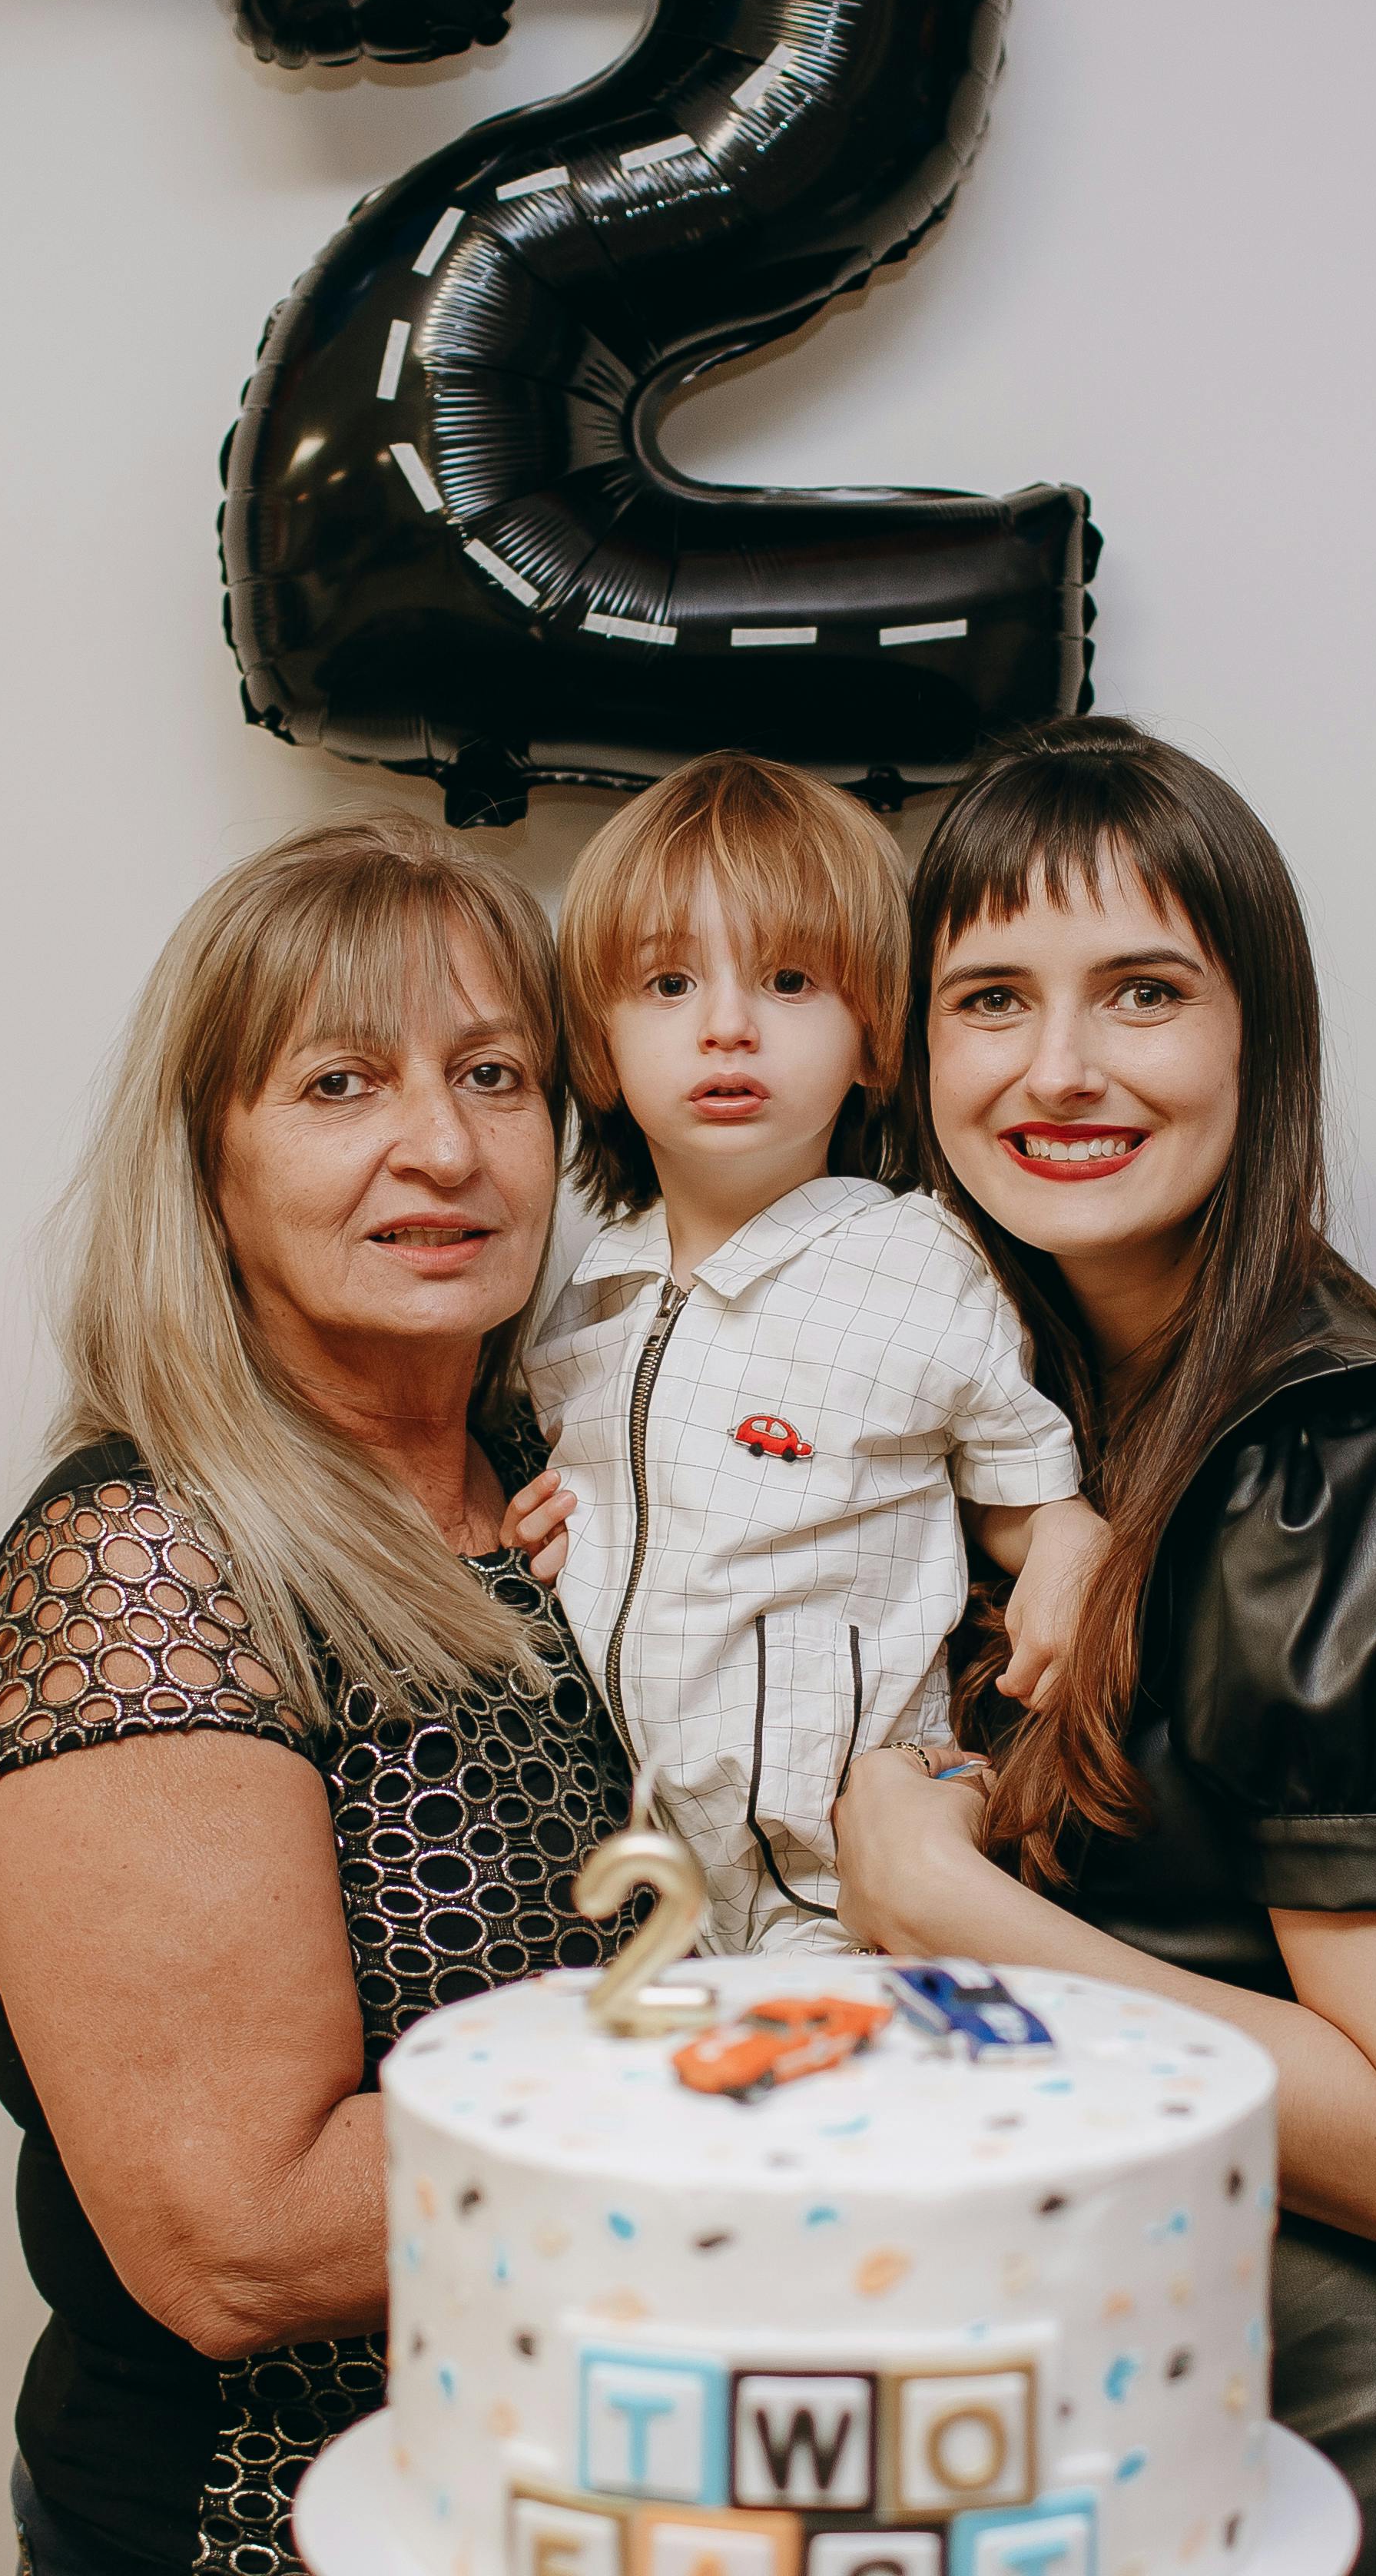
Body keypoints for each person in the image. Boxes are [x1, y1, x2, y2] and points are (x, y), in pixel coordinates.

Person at [827, 720, 1376, 2576]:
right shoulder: (1034, 1426)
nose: (1058, 1070)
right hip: (1150, 2438)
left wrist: (942, 1900)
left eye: (1142, 991)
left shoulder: (1331, 1477)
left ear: (1256, 1042)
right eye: (990, 1000)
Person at [0, 817, 635, 2576]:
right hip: (270, 2530)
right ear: (210, 1166)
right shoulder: (145, 1570)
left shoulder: (584, 1474)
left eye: (496, 1074)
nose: (445, 1148)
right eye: (341, 1085)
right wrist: (784, 2088)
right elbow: (238, 2238)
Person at [505, 752, 1109, 1954]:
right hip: (628, 1868)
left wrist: (1069, 1532)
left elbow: (1013, 1489)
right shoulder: (582, 1299)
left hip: (846, 1873)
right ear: (603, 1048)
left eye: (788, 981)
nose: (727, 1027)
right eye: (669, 984)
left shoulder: (919, 1263)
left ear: (876, 1039)